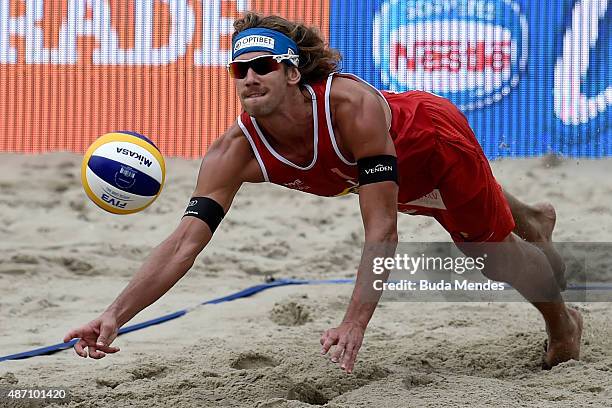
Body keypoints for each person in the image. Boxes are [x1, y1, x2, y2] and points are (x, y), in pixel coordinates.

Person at [63, 12, 582, 374]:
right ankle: (530, 218)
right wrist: (115, 315)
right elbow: (183, 244)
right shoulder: (233, 152)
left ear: (292, 72)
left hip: (432, 147)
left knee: (487, 254)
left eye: (262, 65)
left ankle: (565, 326)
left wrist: (354, 323)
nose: (248, 77)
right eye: (238, 70)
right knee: (482, 223)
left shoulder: (350, 107)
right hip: (368, 175)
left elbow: (382, 230)